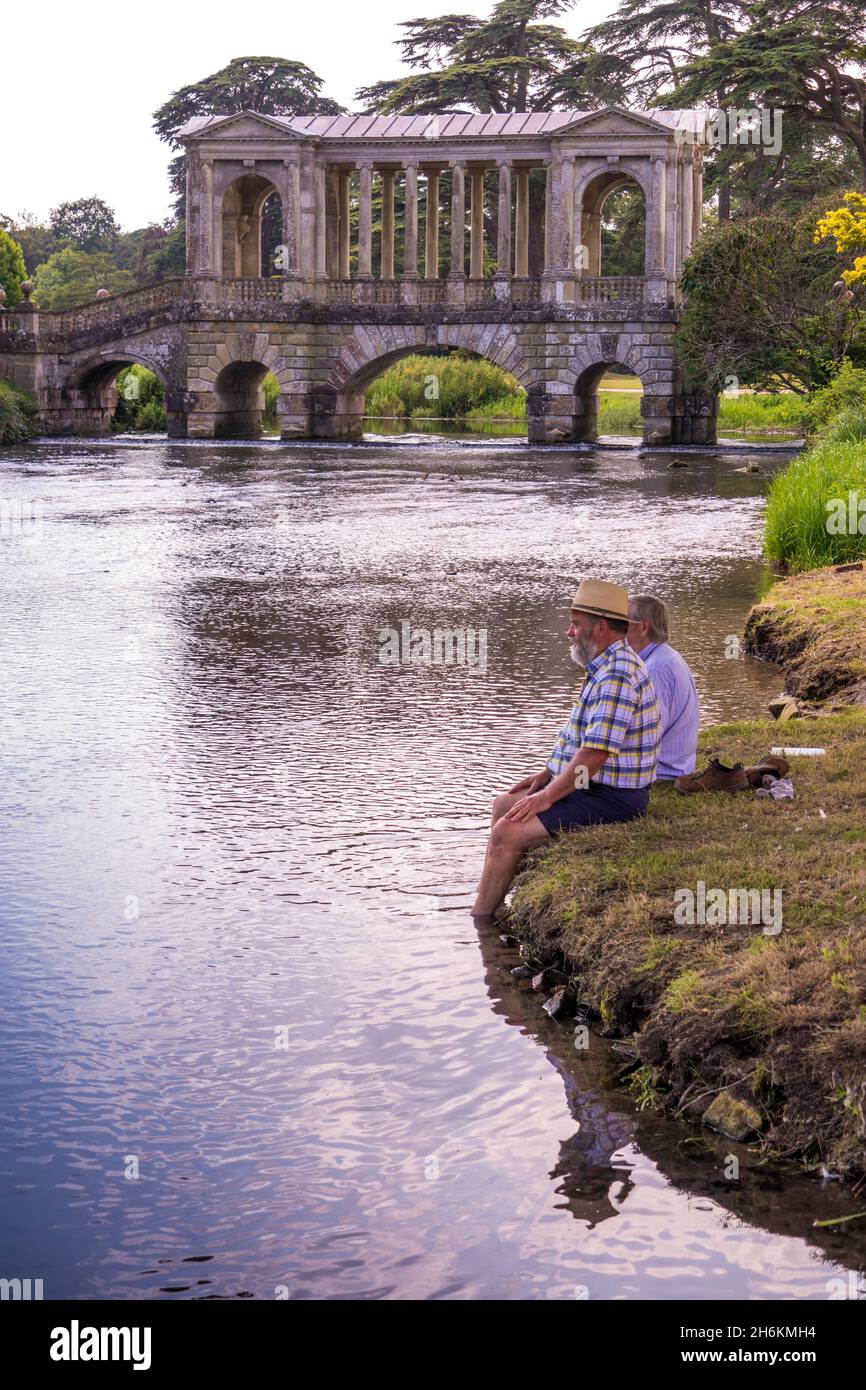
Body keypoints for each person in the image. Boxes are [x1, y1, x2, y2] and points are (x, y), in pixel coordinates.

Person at [471, 579, 660, 921]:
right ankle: (496, 901)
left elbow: (594, 755)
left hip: (613, 797)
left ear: (601, 628)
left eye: (575, 624)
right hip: (594, 785)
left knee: (506, 832)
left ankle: (481, 924)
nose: (569, 632)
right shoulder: (604, 666)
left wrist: (544, 799)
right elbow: (577, 736)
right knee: (504, 804)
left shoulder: (617, 674)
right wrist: (545, 776)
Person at [626, 594, 699, 781]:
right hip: (675, 765)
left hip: (662, 772)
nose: (616, 631)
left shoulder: (655, 669)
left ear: (643, 627)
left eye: (622, 623)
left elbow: (647, 736)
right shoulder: (665, 656)